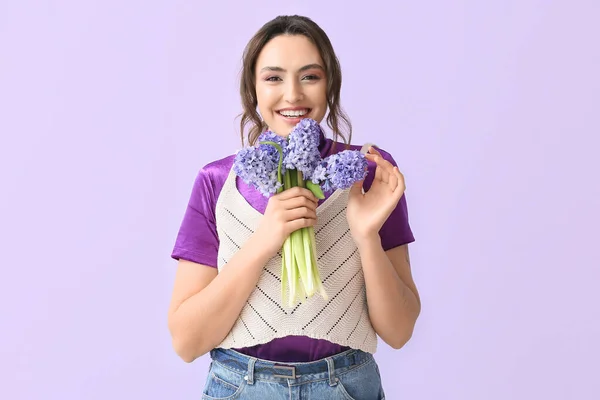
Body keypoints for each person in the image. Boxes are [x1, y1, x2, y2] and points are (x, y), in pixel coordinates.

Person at [167, 15, 421, 400]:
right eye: (273, 78)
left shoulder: (369, 172)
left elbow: (399, 331)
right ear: (252, 89)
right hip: (241, 387)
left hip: (346, 387)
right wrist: (264, 240)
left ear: (330, 83)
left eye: (309, 76)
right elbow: (187, 341)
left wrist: (366, 236)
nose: (292, 95)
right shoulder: (217, 182)